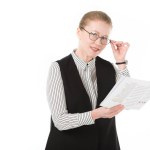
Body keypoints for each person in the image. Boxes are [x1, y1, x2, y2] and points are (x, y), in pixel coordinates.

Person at [45, 10, 130, 150]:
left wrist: (120, 61)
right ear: (79, 32)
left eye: (104, 38)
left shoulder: (108, 67)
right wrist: (97, 114)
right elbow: (60, 121)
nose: (98, 42)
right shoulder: (58, 68)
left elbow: (127, 94)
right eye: (93, 34)